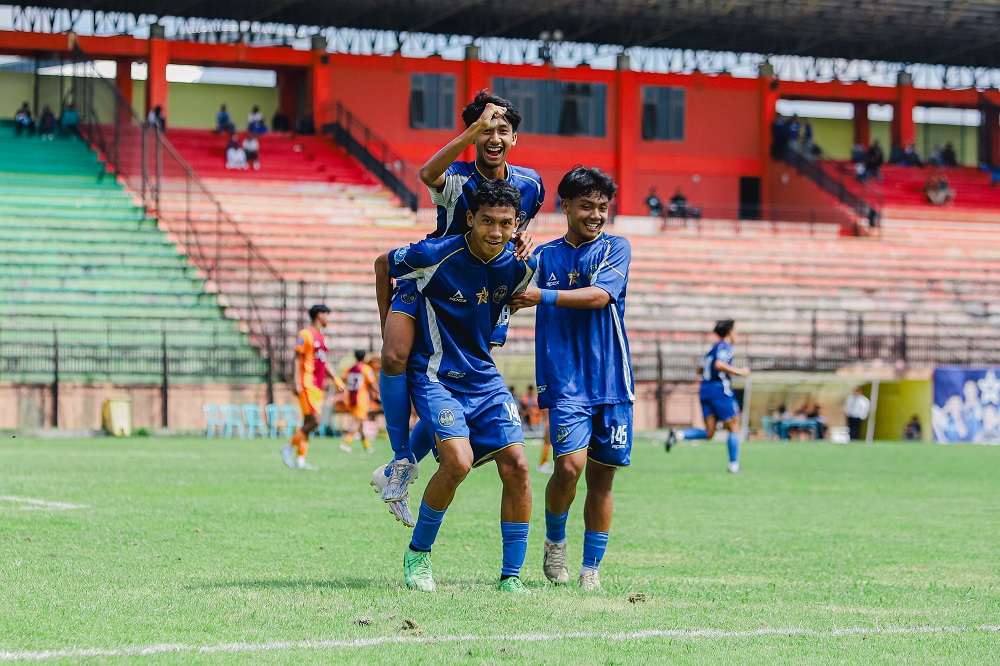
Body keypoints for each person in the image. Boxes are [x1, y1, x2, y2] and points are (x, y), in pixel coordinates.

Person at [370, 89, 543, 526]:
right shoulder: (458, 176)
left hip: (479, 290)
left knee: (455, 377)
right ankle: (401, 459)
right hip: (430, 277)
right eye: (487, 130)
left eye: (503, 130)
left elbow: (515, 226)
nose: (494, 138)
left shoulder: (531, 184)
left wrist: (520, 239)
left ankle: (399, 469)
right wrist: (472, 130)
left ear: (515, 138)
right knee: (393, 355)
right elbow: (427, 172)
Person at [381, 179, 537, 593]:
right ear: (469, 218)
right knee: (458, 462)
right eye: (487, 221)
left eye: (505, 224)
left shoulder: (521, 266)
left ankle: (512, 577)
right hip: (435, 375)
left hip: (484, 378)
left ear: (517, 224)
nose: (495, 232)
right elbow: (384, 264)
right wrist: (390, 323)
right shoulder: (432, 254)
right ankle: (418, 554)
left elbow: (501, 311)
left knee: (519, 466)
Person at [509, 166, 632, 591]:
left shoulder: (617, 248)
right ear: (565, 207)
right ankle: (555, 542)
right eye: (587, 206)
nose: (596, 214)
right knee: (568, 467)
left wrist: (539, 295)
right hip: (565, 380)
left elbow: (600, 296)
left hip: (612, 381)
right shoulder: (543, 256)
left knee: (602, 478)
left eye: (602, 207)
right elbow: (511, 291)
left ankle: (590, 569)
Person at [664, 320, 750, 473]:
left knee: (710, 432)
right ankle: (734, 466)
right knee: (733, 425)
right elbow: (719, 364)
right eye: (735, 331)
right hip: (719, 390)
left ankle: (678, 435)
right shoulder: (726, 346)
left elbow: (699, 369)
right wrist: (739, 372)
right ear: (730, 331)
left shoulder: (712, 349)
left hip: (705, 389)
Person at [280, 305, 342, 471]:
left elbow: (324, 362)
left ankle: (300, 460)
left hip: (318, 386)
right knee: (315, 420)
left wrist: (336, 379)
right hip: (307, 383)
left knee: (308, 423)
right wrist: (297, 382)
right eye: (327, 315)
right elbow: (297, 359)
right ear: (320, 315)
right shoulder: (305, 335)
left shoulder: (323, 338)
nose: (328, 319)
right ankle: (288, 447)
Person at [340, 350, 378, 454]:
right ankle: (345, 443)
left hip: (351, 398)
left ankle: (367, 447)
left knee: (360, 424)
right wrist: (379, 393)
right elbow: (372, 383)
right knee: (357, 422)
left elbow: (344, 379)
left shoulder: (350, 369)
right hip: (360, 399)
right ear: (364, 357)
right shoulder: (366, 369)